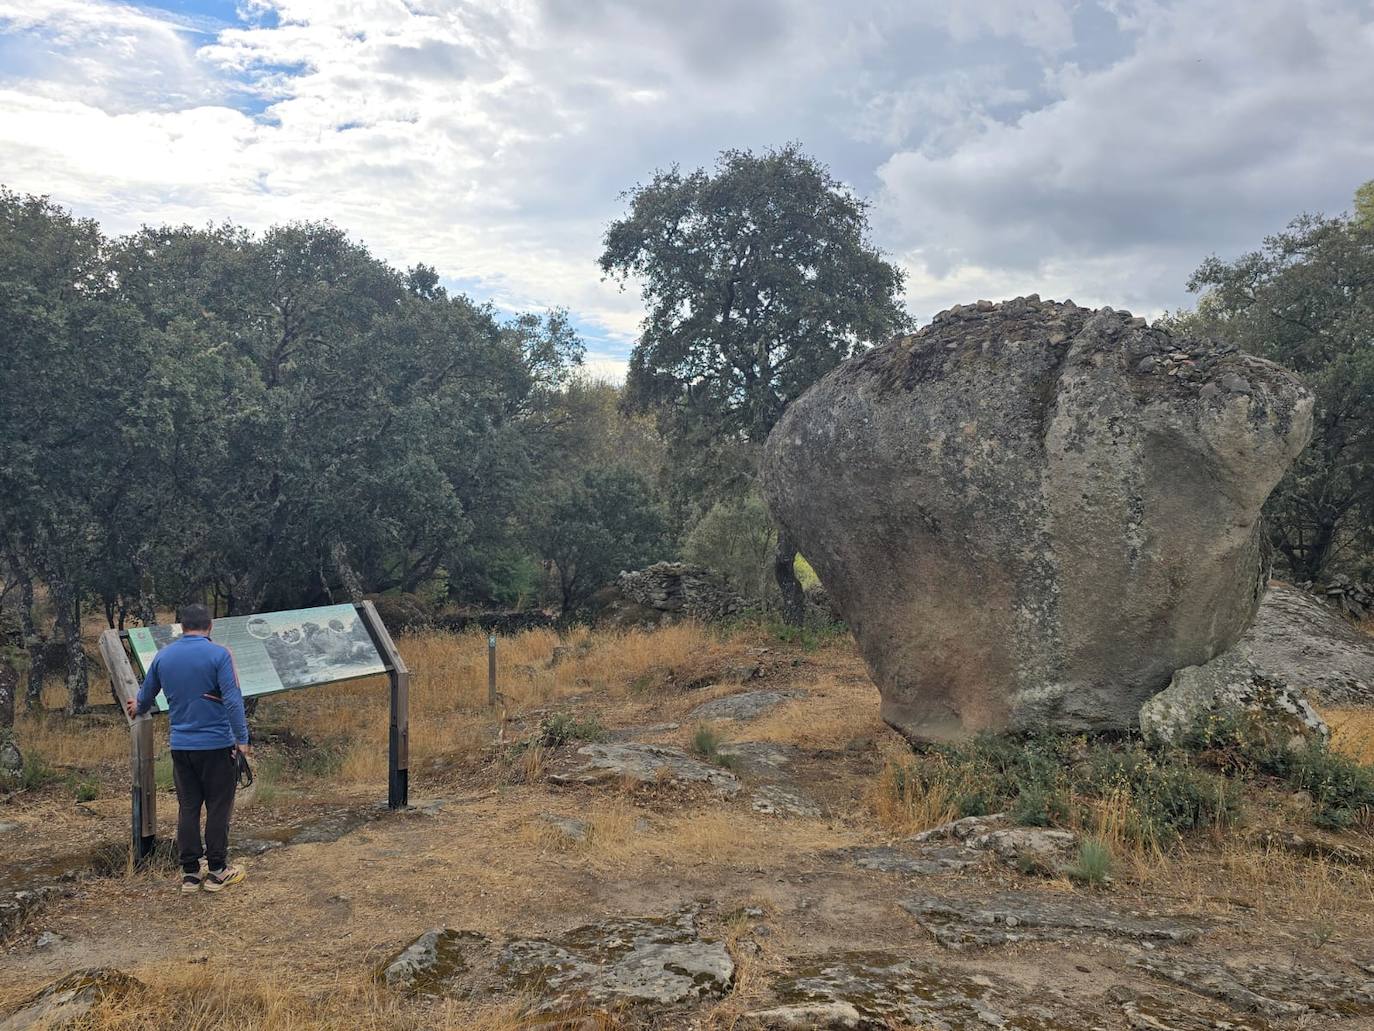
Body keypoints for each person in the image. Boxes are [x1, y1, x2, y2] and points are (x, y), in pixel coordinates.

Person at [125, 603, 251, 893]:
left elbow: (146, 695)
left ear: (181, 627)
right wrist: (242, 740)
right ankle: (218, 871)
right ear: (210, 626)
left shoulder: (163, 656)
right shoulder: (219, 654)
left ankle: (190, 874)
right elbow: (233, 700)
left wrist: (138, 705)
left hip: (181, 746)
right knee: (218, 807)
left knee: (188, 807)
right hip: (217, 745)